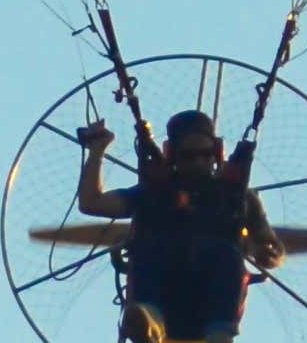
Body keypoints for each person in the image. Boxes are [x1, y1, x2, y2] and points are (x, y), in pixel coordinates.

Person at [72, 109, 280, 342]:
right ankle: (149, 322)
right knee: (150, 249)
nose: (199, 161)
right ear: (171, 154)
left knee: (227, 255)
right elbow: (92, 203)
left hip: (209, 300)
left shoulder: (238, 197)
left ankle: (220, 335)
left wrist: (267, 253)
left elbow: (270, 245)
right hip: (165, 296)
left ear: (217, 151)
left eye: (205, 154)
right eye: (188, 155)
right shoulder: (153, 193)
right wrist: (97, 151)